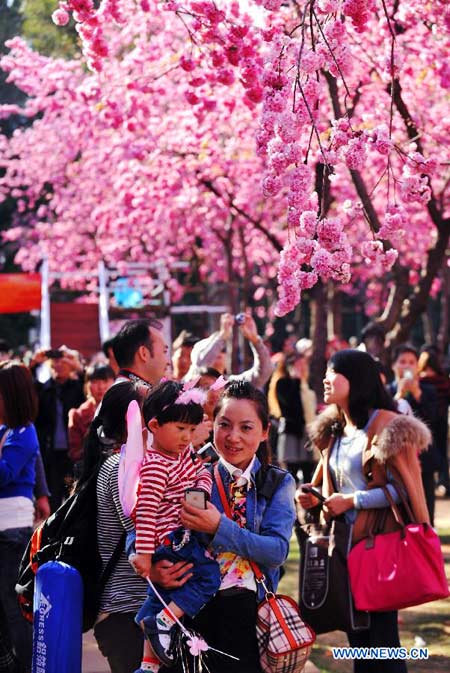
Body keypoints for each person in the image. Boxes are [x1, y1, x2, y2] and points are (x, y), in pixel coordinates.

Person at [298, 349, 431, 673]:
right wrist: (318, 499)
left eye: (334, 372)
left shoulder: (388, 427)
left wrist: (353, 500)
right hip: (344, 549)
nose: (326, 379)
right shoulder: (336, 431)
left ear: (355, 380)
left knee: (383, 641)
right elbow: (334, 484)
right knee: (358, 640)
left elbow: (404, 491)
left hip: (377, 550)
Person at [168, 381, 296, 673]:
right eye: (224, 424)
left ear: (264, 432)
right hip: (195, 606)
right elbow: (174, 533)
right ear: (211, 424)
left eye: (246, 428)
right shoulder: (194, 473)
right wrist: (158, 566)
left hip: (249, 612)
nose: (233, 437)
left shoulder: (277, 483)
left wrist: (219, 526)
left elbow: (276, 551)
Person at [80, 381, 195, 673]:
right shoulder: (123, 468)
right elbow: (139, 525)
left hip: (140, 607)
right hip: (128, 612)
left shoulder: (141, 463)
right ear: (139, 420)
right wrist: (149, 567)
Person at [128, 380, 221, 672]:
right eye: (180, 429)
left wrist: (198, 497)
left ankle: (147, 666)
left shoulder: (183, 455)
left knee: (161, 598)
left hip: (178, 536)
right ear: (154, 425)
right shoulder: (156, 466)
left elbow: (202, 476)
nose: (187, 437)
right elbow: (145, 512)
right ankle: (166, 622)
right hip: (169, 540)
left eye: (191, 430)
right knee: (208, 578)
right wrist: (143, 554)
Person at [0, 361, 40, 672]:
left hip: (12, 530)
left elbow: (5, 473)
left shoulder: (24, 432)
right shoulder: (8, 430)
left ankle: (23, 666)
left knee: (13, 607)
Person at [387, 344, 438, 524]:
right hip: (397, 462)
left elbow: (434, 420)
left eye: (411, 362)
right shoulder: (387, 392)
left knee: (425, 510)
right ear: (394, 365)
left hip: (423, 460)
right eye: (402, 362)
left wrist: (417, 394)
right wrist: (400, 395)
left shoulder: (429, 391)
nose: (407, 366)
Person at [33, 346, 85, 511]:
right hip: (51, 453)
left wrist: (75, 363)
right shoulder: (44, 389)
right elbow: (25, 384)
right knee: (53, 497)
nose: (59, 365)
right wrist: (34, 363)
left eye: (63, 362)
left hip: (72, 454)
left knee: (73, 495)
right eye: (55, 362)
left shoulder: (77, 387)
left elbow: (89, 384)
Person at [185, 313, 273, 388]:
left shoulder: (229, 384)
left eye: (223, 349)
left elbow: (262, 375)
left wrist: (255, 340)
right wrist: (222, 336)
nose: (219, 352)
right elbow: (200, 367)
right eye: (212, 348)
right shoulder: (188, 384)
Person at [275, 351, 317, 483]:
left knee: (308, 468)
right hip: (291, 431)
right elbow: (289, 404)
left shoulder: (307, 384)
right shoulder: (282, 383)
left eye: (303, 364)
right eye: (298, 364)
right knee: (291, 470)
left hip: (308, 430)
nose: (302, 368)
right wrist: (295, 381)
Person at [418, 346, 450, 496]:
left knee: (427, 453)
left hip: (424, 422)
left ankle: (431, 483)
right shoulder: (444, 381)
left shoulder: (420, 381)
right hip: (441, 421)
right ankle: (445, 482)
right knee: (443, 453)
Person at [68, 363, 115, 465]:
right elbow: (74, 454)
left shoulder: (122, 409)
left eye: (105, 381)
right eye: (94, 382)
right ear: (87, 385)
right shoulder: (77, 415)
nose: (101, 386)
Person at [112, 319, 170, 389]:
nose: (168, 362)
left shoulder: (126, 390)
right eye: (164, 351)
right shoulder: (130, 395)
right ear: (144, 353)